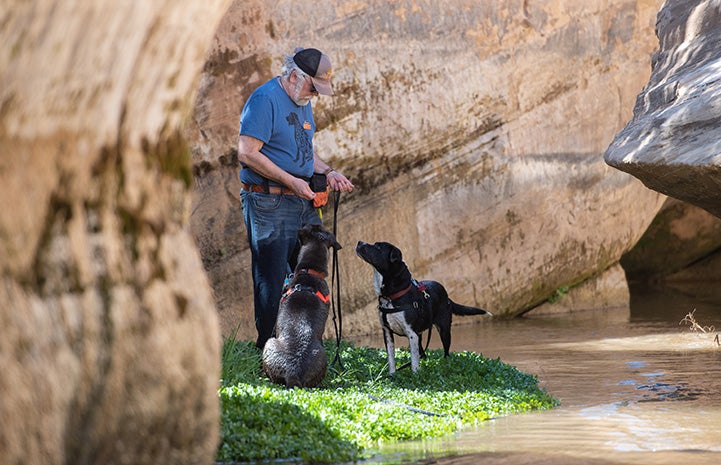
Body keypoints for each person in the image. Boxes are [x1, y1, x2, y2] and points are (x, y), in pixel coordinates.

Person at [237, 47, 354, 349]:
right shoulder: (265, 100)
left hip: (301, 201)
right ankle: (268, 349)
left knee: (310, 275)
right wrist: (291, 181)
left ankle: (304, 345)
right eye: (313, 87)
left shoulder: (301, 100)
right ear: (293, 77)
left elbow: (303, 151)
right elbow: (247, 153)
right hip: (268, 202)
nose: (315, 95)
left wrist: (329, 172)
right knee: (272, 281)